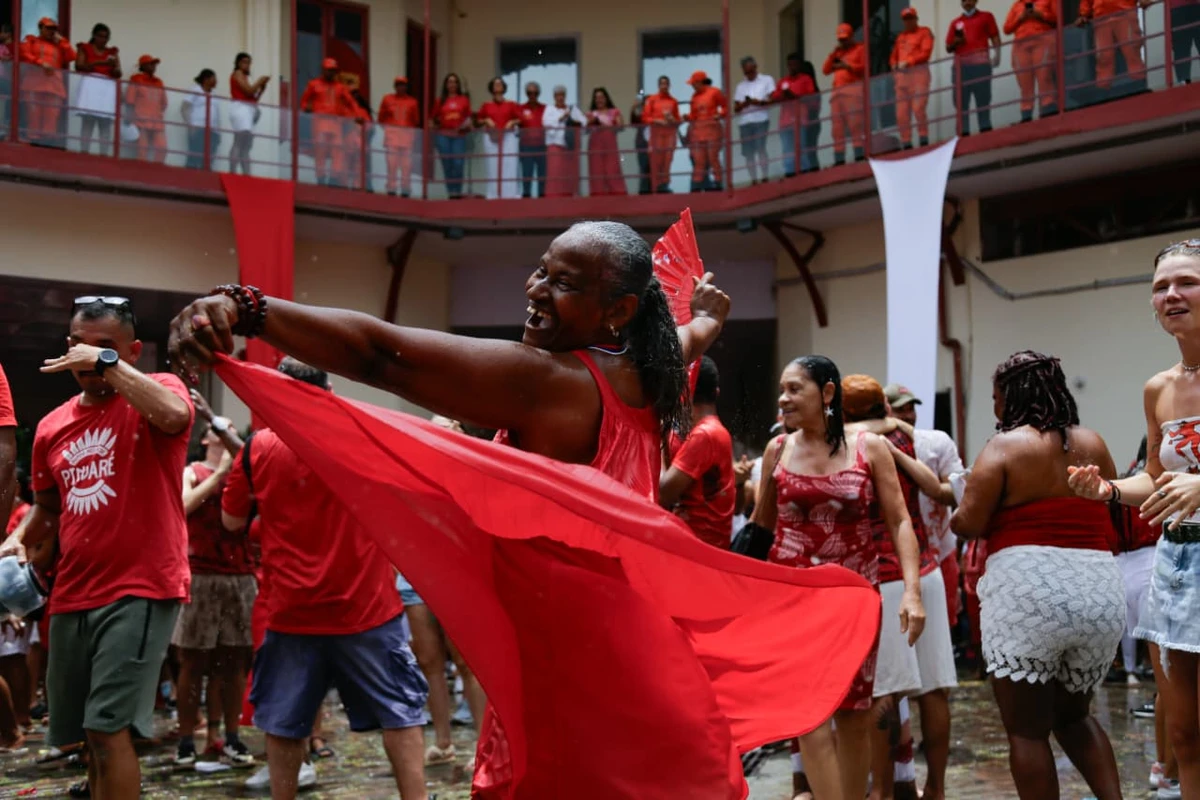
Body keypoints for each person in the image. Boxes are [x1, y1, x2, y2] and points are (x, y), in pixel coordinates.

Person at [168, 222, 730, 798]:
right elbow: (691, 336)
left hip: (568, 664)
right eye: (542, 270)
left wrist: (248, 307)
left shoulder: (550, 382)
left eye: (564, 283)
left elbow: (381, 356)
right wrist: (708, 318)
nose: (536, 289)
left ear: (619, 310)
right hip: (621, 645)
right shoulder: (647, 370)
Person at [3, 296, 192, 799]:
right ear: (67, 349)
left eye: (106, 348)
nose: (90, 359)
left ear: (131, 351)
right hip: (73, 594)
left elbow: (174, 416)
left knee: (110, 730)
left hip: (141, 586)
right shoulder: (50, 426)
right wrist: (15, 541)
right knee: (87, 738)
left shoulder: (161, 391)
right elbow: (48, 512)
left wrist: (108, 367)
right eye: (82, 349)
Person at [218, 358, 428, 799]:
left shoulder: (256, 449)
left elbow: (231, 520)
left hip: (292, 610)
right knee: (400, 714)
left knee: (284, 721)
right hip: (367, 608)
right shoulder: (364, 437)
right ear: (328, 389)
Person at [750, 355, 925, 800]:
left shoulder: (870, 447)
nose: (782, 398)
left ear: (827, 393)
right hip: (792, 603)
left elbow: (900, 521)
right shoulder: (779, 450)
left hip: (855, 601)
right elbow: (759, 528)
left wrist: (911, 592)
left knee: (854, 714)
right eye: (782, 389)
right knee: (807, 714)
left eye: (794, 389)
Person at [954, 350, 1124, 800]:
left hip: (1030, 591)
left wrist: (961, 499)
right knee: (1074, 716)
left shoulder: (1005, 446)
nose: (994, 409)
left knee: (1026, 732)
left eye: (995, 398)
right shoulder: (1095, 442)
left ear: (1011, 397)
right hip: (1099, 589)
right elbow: (1111, 505)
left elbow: (968, 523)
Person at [1069, 239, 1200, 797]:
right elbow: (1154, 477)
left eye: (1186, 282)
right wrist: (1107, 489)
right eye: (1160, 287)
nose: (1171, 295)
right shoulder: (1160, 389)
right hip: (1177, 562)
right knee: (1186, 732)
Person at [841, 375, 956, 800]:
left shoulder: (849, 444)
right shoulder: (909, 442)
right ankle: (938, 790)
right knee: (935, 687)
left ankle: (883, 793)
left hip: (887, 577)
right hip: (926, 569)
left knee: (885, 691)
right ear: (885, 408)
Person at [172, 393, 255, 769]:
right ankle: (188, 738)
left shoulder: (247, 472)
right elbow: (183, 505)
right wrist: (220, 475)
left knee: (234, 664)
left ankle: (229, 736)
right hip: (201, 576)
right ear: (206, 439)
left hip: (240, 577)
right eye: (217, 433)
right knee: (192, 664)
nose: (223, 437)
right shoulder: (193, 470)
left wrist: (232, 472)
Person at [885, 384, 964, 633]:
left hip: (939, 549)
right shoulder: (873, 445)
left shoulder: (936, 442)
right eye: (900, 410)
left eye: (911, 408)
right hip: (895, 553)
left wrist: (930, 484)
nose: (908, 415)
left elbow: (958, 493)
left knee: (943, 625)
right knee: (900, 627)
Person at [660, 357, 735, 548]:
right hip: (697, 541)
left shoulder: (705, 435)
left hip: (697, 546)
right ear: (716, 392)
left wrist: (656, 437)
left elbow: (663, 493)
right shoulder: (710, 430)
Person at [946, 0, 1001, 135]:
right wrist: (956, 42)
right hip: (961, 68)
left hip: (980, 65)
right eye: (964, 0)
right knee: (961, 103)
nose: (967, 2)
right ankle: (964, 133)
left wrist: (997, 55)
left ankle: (985, 130)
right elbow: (948, 47)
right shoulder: (955, 23)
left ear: (976, 1)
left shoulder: (986, 16)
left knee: (983, 100)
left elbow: (995, 37)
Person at [18, 17, 75, 146]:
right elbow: (23, 53)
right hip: (33, 84)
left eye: (54, 29)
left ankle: (47, 143)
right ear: (40, 28)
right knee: (33, 115)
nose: (51, 32)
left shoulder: (59, 46)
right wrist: (41, 63)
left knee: (51, 117)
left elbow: (72, 56)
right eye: (48, 28)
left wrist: (62, 41)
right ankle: (33, 142)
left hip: (54, 86)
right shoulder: (31, 40)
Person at [301, 58, 357, 187]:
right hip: (319, 121)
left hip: (335, 123)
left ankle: (334, 177)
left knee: (338, 149)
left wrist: (357, 116)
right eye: (329, 70)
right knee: (320, 149)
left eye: (333, 71)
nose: (331, 73)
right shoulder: (313, 84)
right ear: (323, 70)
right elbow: (304, 101)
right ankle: (320, 177)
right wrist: (306, 108)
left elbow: (351, 102)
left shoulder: (340, 87)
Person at [1076, 0, 1150, 90]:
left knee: (1131, 50)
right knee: (1103, 56)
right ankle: (1103, 88)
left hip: (1124, 13)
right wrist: (1083, 14)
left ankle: (1139, 83)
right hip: (1101, 19)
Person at [1005, 0, 1059, 122]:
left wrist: (1040, 15)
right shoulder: (1017, 5)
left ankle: (1048, 109)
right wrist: (1021, 18)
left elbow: (1057, 18)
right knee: (1024, 82)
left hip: (1043, 39)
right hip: (1021, 45)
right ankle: (1026, 115)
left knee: (1044, 76)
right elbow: (1007, 29)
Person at [73, 23, 120, 155]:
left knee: (105, 122)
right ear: (94, 36)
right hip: (90, 84)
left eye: (106, 37)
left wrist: (114, 66)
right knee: (88, 120)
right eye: (100, 36)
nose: (103, 40)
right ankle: (84, 152)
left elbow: (118, 73)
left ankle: (104, 155)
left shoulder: (112, 52)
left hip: (107, 87)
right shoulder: (84, 48)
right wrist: (100, 63)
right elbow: (79, 66)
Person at [823, 23, 866, 166]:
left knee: (855, 125)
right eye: (840, 39)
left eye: (845, 39)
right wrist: (834, 54)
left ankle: (859, 156)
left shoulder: (860, 49)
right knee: (837, 129)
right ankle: (839, 159)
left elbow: (864, 67)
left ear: (851, 37)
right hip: (837, 96)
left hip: (853, 93)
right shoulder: (838, 53)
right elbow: (825, 70)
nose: (843, 42)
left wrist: (847, 66)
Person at [891, 9, 934, 149]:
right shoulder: (900, 37)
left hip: (919, 77)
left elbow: (926, 53)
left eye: (910, 18)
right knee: (901, 114)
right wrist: (893, 66)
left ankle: (923, 138)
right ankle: (906, 142)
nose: (908, 21)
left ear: (916, 18)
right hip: (902, 81)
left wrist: (908, 62)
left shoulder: (925, 32)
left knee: (918, 108)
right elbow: (893, 56)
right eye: (905, 19)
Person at [772, 53, 818, 176]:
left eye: (794, 65)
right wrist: (783, 95)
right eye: (789, 65)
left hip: (800, 120)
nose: (791, 67)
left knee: (801, 149)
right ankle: (790, 174)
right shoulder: (783, 81)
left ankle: (805, 174)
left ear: (799, 65)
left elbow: (812, 99)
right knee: (787, 151)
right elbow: (774, 98)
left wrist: (794, 97)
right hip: (785, 122)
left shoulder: (806, 79)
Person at [476, 77, 522, 200]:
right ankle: (493, 194)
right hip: (492, 136)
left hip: (508, 136)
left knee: (509, 164)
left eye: (500, 83)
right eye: (495, 84)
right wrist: (486, 120)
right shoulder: (486, 105)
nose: (498, 85)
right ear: (491, 87)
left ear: (504, 87)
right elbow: (478, 120)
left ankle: (510, 194)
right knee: (492, 164)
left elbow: (520, 118)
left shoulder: (511, 104)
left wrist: (512, 121)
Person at [733, 56, 775, 185]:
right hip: (745, 122)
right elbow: (736, 108)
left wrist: (759, 102)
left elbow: (773, 99)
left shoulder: (767, 80)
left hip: (761, 119)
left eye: (750, 71)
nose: (748, 75)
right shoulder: (740, 86)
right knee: (748, 153)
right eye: (746, 72)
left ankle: (765, 177)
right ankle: (753, 180)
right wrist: (744, 104)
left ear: (756, 67)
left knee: (761, 148)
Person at [378, 76, 420, 197]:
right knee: (392, 165)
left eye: (403, 85)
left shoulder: (413, 102)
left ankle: (405, 191)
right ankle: (391, 189)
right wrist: (390, 131)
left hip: (407, 139)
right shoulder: (387, 99)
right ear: (395, 86)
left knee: (406, 167)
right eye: (398, 84)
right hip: (392, 138)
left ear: (406, 87)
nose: (401, 87)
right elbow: (381, 119)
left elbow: (416, 120)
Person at [431, 73, 472, 198]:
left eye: (455, 82)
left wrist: (466, 125)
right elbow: (432, 119)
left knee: (458, 163)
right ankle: (451, 192)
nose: (452, 84)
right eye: (449, 82)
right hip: (443, 136)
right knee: (447, 164)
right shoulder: (440, 101)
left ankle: (457, 191)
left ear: (458, 85)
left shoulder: (464, 100)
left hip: (459, 136)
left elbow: (469, 118)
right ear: (446, 85)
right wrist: (434, 126)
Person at [684, 71, 726, 192]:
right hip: (698, 133)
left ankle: (718, 183)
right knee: (699, 161)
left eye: (693, 83)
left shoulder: (715, 92)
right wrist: (688, 117)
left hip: (712, 131)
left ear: (699, 82)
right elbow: (694, 115)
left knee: (713, 158)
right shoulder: (694, 96)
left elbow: (725, 107)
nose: (692, 86)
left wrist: (720, 114)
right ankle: (697, 186)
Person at [229, 52, 269, 176]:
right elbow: (248, 90)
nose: (247, 65)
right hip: (241, 109)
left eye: (249, 62)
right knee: (239, 141)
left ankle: (247, 174)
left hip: (248, 110)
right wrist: (259, 81)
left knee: (246, 146)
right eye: (245, 62)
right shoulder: (238, 74)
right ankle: (233, 172)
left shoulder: (246, 77)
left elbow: (253, 97)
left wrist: (262, 88)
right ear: (238, 63)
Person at [542, 85, 586, 197]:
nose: (560, 97)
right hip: (555, 145)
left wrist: (574, 122)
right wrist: (561, 118)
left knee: (569, 173)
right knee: (555, 172)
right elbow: (545, 123)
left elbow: (583, 122)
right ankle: (554, 197)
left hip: (570, 146)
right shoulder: (549, 109)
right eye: (558, 95)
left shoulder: (572, 108)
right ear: (554, 97)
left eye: (562, 95)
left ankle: (570, 195)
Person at [126, 54, 167, 163]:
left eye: (154, 64)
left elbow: (164, 103)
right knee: (142, 150)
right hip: (140, 120)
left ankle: (157, 172)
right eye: (151, 64)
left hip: (157, 121)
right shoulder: (136, 79)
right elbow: (130, 100)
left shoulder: (159, 82)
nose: (153, 66)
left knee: (162, 148)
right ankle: (140, 172)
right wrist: (129, 118)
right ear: (143, 66)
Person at [642, 76, 680, 193]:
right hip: (656, 134)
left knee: (667, 160)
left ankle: (664, 185)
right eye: (662, 84)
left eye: (666, 84)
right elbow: (645, 117)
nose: (664, 86)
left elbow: (677, 121)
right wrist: (657, 120)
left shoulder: (673, 101)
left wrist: (672, 119)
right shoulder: (652, 100)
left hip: (670, 134)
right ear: (658, 85)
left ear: (669, 85)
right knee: (656, 160)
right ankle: (655, 186)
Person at [586, 87, 625, 196]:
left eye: (601, 97)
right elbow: (585, 130)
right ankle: (597, 199)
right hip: (595, 147)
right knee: (596, 172)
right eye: (596, 98)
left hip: (610, 146)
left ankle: (618, 198)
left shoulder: (614, 112)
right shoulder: (590, 114)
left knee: (612, 170)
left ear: (606, 98)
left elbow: (621, 126)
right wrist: (591, 122)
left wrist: (606, 124)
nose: (599, 100)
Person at [182, 68, 221, 170]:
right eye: (214, 78)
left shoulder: (214, 94)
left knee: (209, 158)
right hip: (198, 127)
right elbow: (184, 107)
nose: (216, 81)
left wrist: (218, 132)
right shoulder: (195, 90)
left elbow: (216, 113)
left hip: (212, 130)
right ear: (206, 79)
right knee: (195, 156)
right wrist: (190, 126)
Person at [518, 81, 547, 198]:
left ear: (538, 93)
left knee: (542, 175)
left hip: (541, 146)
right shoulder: (520, 108)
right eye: (529, 93)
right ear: (526, 94)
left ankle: (542, 198)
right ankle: (526, 197)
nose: (532, 95)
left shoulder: (545, 108)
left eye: (535, 93)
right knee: (526, 174)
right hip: (526, 146)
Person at [1172, 0, 1200, 84]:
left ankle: (1184, 82)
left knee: (1181, 50)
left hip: (1177, 9)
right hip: (1189, 7)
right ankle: (1184, 82)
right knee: (1181, 49)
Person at [630, 96, 652, 195]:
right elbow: (633, 121)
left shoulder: (658, 117)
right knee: (644, 168)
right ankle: (644, 191)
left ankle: (656, 190)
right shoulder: (641, 117)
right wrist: (633, 108)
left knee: (656, 169)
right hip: (642, 146)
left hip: (656, 146)